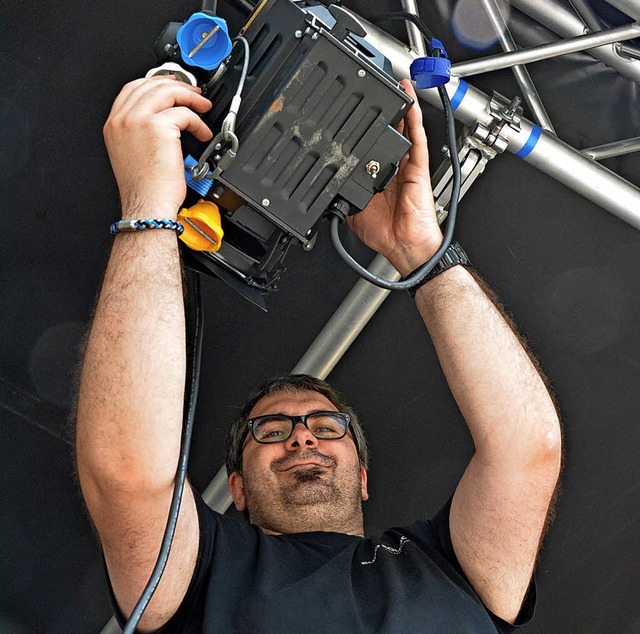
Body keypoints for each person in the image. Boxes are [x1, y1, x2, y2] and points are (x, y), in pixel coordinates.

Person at [75, 74, 562, 633]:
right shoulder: (204, 570)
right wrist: (148, 209)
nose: (302, 436)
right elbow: (129, 473)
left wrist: (420, 252)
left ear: (362, 477)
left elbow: (528, 447)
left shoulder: (447, 567)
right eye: (272, 430)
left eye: (327, 426)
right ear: (236, 488)